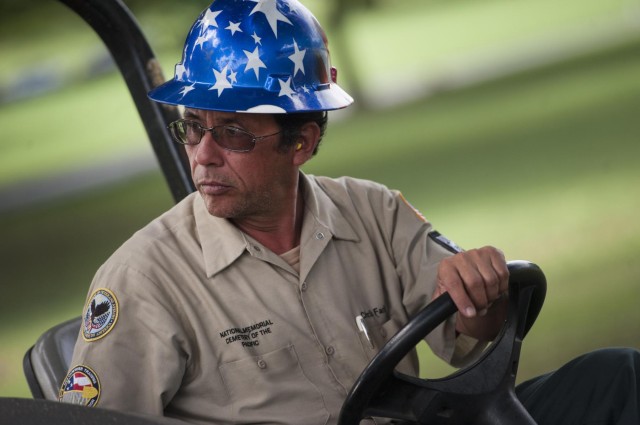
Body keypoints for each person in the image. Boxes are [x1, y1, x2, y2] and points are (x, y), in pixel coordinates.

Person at [59, 0, 640, 424]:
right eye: (192, 129)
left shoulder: (373, 212)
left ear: (302, 142)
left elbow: (468, 331)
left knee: (616, 377)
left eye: (232, 133)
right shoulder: (143, 279)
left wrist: (481, 293)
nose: (203, 155)